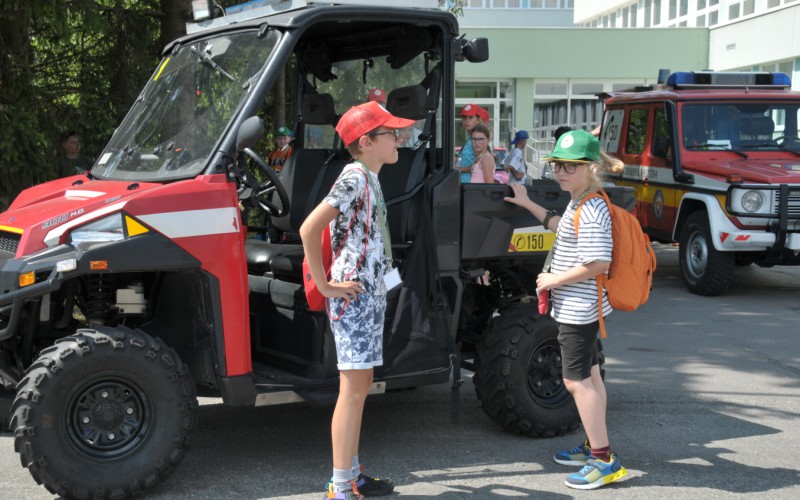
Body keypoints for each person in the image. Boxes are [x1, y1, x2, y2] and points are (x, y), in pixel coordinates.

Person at [300, 100, 414, 500]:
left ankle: (350, 474)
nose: (399, 138)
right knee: (352, 390)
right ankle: (342, 485)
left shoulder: (368, 176)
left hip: (367, 296)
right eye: (391, 133)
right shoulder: (353, 177)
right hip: (354, 298)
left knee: (360, 385)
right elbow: (309, 228)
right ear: (366, 142)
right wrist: (326, 284)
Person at [504, 130, 627, 490]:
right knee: (591, 378)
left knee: (576, 382)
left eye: (571, 166)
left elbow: (598, 263)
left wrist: (551, 280)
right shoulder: (581, 201)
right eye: (558, 164)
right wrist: (528, 203)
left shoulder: (590, 209)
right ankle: (594, 447)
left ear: (590, 168)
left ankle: (604, 461)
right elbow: (561, 227)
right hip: (582, 307)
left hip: (579, 309)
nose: (561, 171)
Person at [455, 104, 489, 183]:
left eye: (471, 117)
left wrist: (459, 169)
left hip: (472, 185)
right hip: (464, 183)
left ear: (478, 119)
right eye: (464, 117)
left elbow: (481, 164)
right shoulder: (469, 139)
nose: (467, 120)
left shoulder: (477, 140)